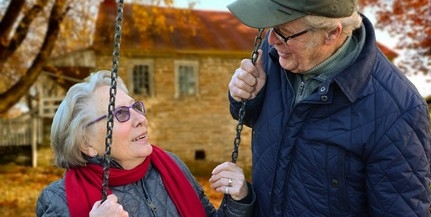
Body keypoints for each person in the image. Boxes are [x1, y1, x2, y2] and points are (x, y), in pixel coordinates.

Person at [226, 0, 431, 216]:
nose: (272, 40)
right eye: (271, 28)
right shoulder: (277, 54)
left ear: (332, 33)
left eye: (284, 33)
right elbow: (255, 118)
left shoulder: (397, 111)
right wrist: (245, 96)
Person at [36, 70, 255, 217]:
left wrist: (238, 199)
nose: (140, 119)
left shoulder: (170, 165)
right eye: (120, 113)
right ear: (86, 143)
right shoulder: (57, 200)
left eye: (135, 107)